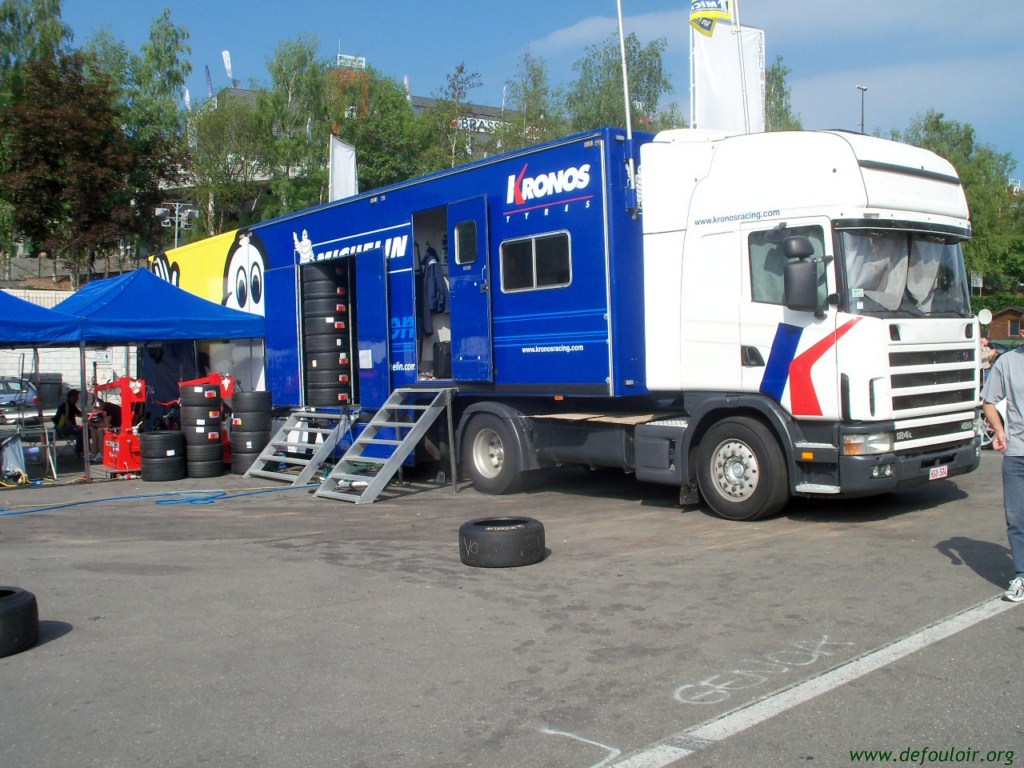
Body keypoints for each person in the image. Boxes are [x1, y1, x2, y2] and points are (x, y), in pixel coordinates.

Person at [982, 330, 1024, 601]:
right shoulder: (1007, 362)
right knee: (1016, 517)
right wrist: (999, 431)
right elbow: (988, 402)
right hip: (1017, 453)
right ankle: (1021, 575)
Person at [88, 398, 122, 463]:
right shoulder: (101, 409)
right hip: (111, 425)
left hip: (118, 424)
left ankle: (102, 453)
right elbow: (100, 421)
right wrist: (92, 423)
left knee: (100, 430)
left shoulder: (108, 408)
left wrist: (92, 423)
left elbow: (105, 424)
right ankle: (94, 452)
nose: (95, 409)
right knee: (93, 429)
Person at [53, 388, 83, 455]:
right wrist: (74, 427)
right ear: (72, 397)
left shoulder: (72, 405)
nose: (78, 399)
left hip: (68, 427)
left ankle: (81, 450)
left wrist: (91, 416)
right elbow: (65, 419)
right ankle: (79, 451)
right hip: (61, 429)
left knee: (84, 430)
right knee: (82, 431)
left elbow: (79, 414)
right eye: (76, 397)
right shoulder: (65, 405)